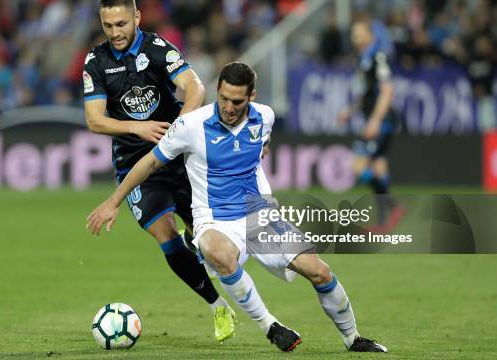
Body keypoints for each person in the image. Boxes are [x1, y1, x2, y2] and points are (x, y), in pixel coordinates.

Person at [87, 62, 388, 353]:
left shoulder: (265, 117)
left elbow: (261, 146)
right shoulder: (190, 126)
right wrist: (113, 201)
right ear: (217, 90)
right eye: (223, 98)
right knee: (218, 252)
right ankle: (270, 326)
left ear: (252, 96)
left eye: (237, 101)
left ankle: (353, 338)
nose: (229, 107)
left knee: (319, 271)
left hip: (260, 214)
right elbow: (150, 162)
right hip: (214, 220)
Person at [82, 0, 235, 342]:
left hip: (178, 157)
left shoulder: (158, 49)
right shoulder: (96, 62)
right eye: (108, 25)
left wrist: (175, 135)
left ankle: (195, 238)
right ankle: (217, 307)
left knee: (211, 238)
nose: (115, 32)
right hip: (134, 165)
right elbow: (94, 120)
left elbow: (195, 89)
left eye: (121, 23)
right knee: (165, 237)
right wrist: (137, 127)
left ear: (137, 18)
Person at [337, 17, 403, 228]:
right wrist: (350, 110)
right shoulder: (362, 58)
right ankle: (384, 223)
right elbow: (366, 93)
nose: (355, 37)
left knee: (358, 167)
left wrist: (375, 121)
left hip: (382, 120)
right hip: (374, 118)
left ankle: (393, 206)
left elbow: (387, 91)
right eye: (353, 33)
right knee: (379, 167)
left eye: (359, 33)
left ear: (370, 35)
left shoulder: (378, 57)